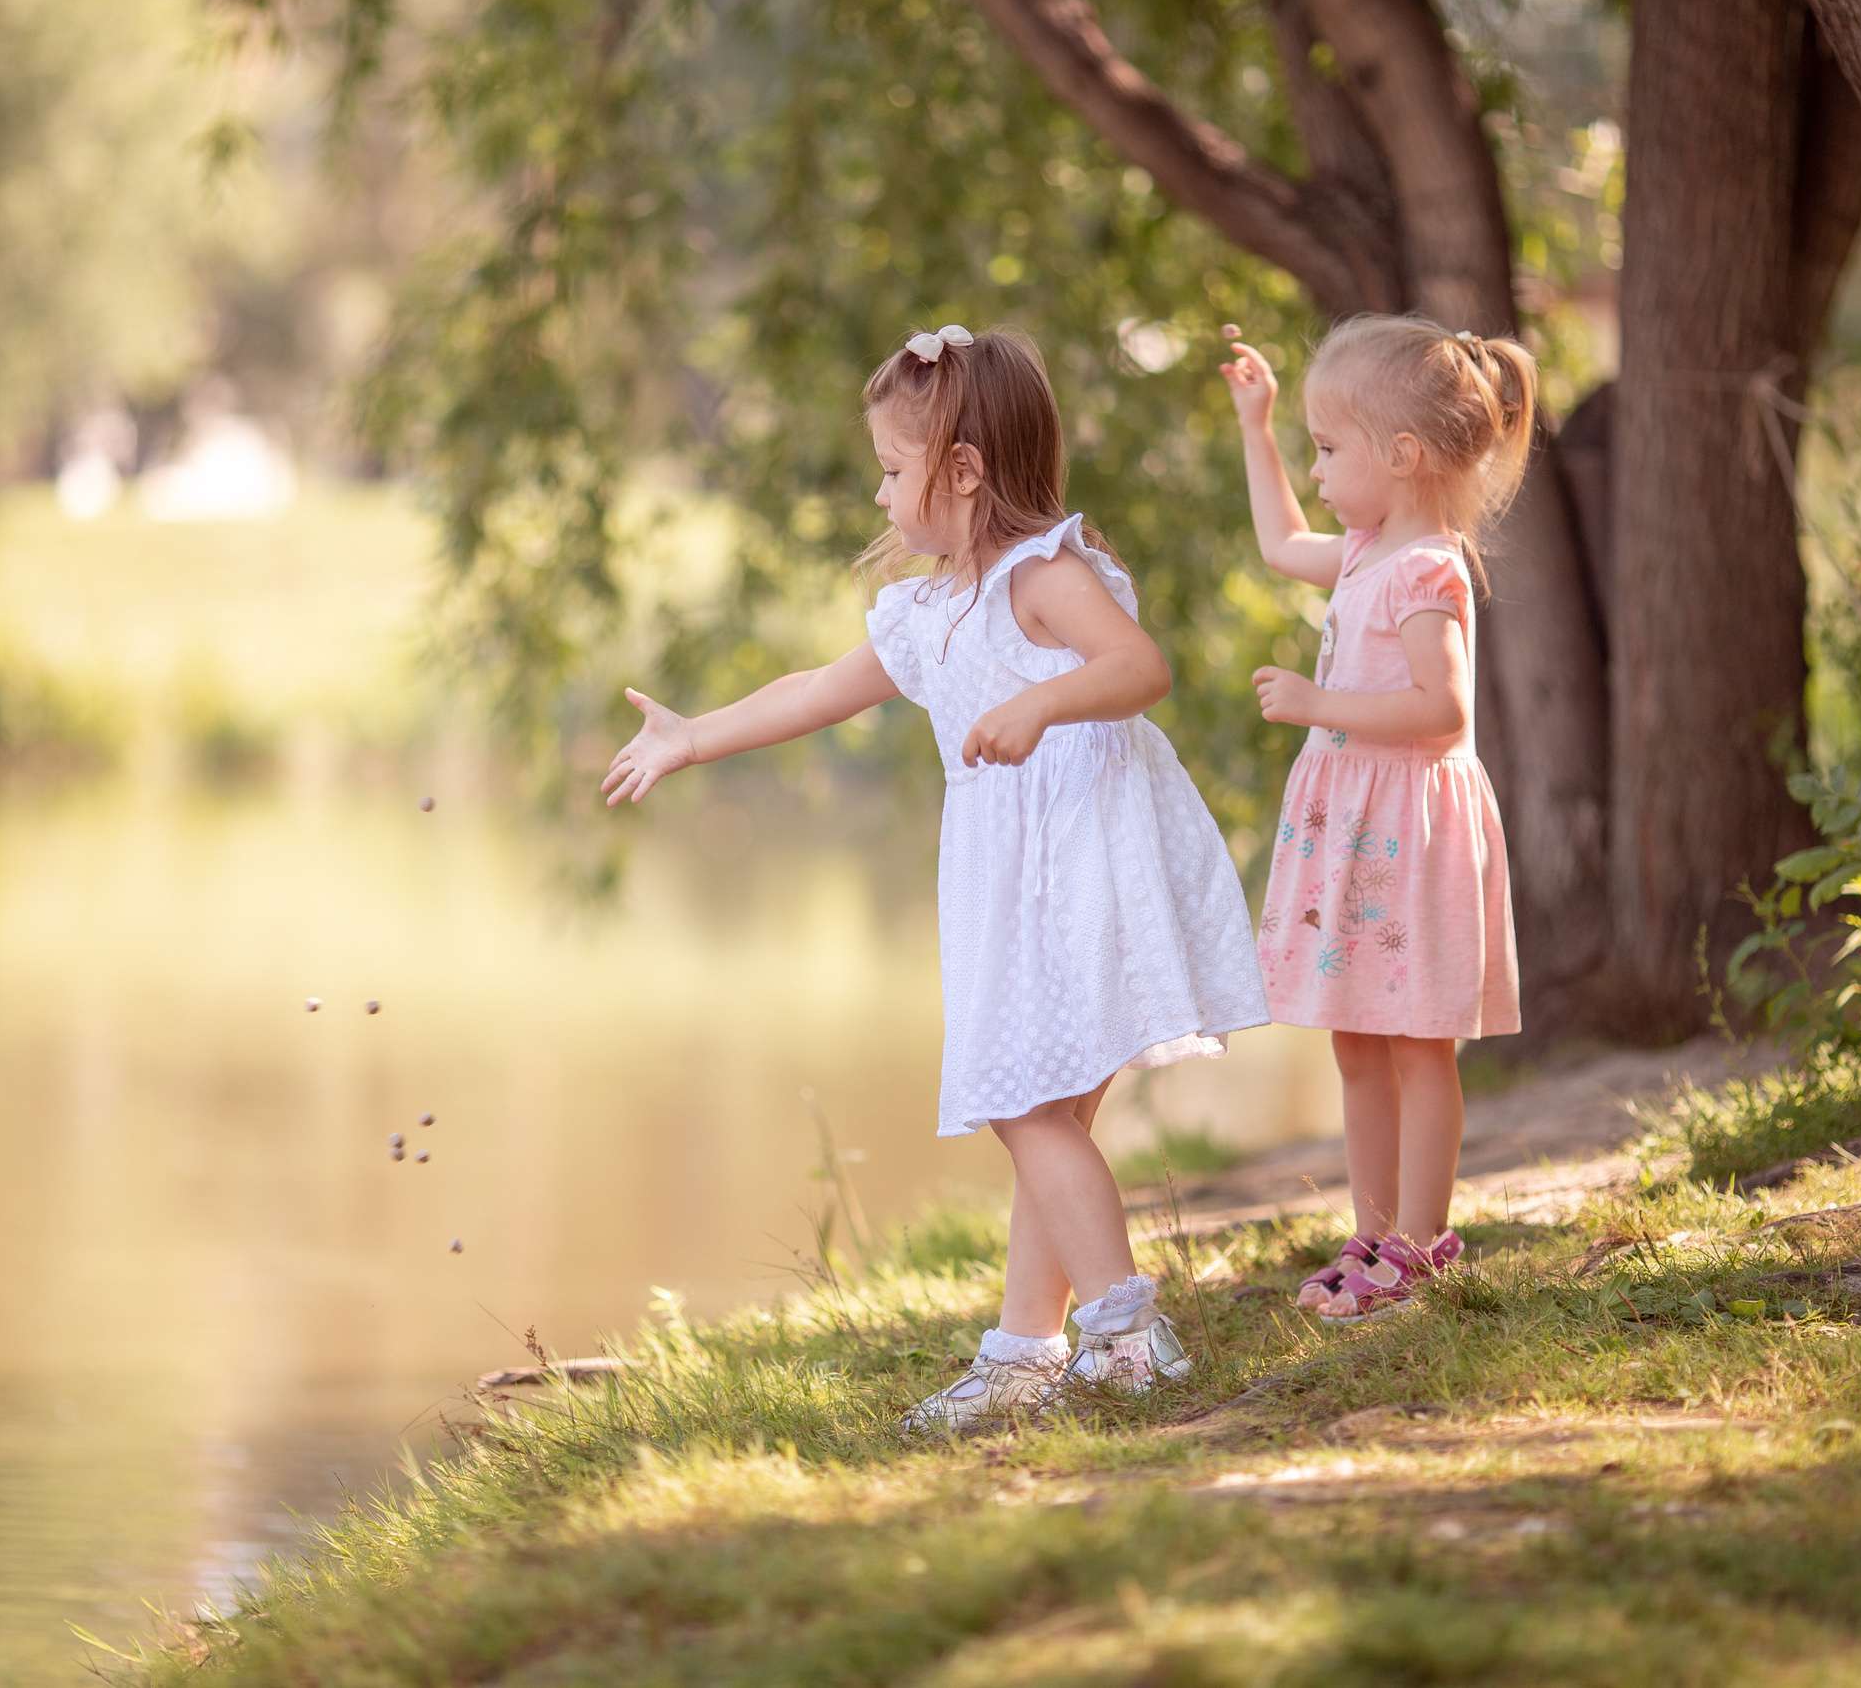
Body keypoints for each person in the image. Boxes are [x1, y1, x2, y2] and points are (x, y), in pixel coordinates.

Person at [603, 324, 1268, 1429]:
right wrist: (693, 734)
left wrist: (1040, 703)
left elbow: (1139, 669)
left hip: (1080, 866)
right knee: (1042, 1108)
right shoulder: (929, 610)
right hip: (1019, 879)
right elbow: (819, 687)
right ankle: (1024, 1351)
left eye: (891, 468)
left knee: (1024, 1104)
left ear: (960, 469)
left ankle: (1124, 1333)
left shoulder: (1041, 576)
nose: (878, 494)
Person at [1218, 314, 1529, 1322]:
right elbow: (1273, 545)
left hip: (1410, 827)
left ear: (1400, 457)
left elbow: (1444, 712)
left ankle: (1423, 1241)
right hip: (1355, 824)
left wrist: (1320, 708)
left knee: (1414, 1040)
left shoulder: (1429, 570)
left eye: (1324, 447)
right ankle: (1373, 1231)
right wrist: (1257, 427)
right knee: (1356, 1037)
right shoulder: (1360, 551)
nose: (1315, 471)